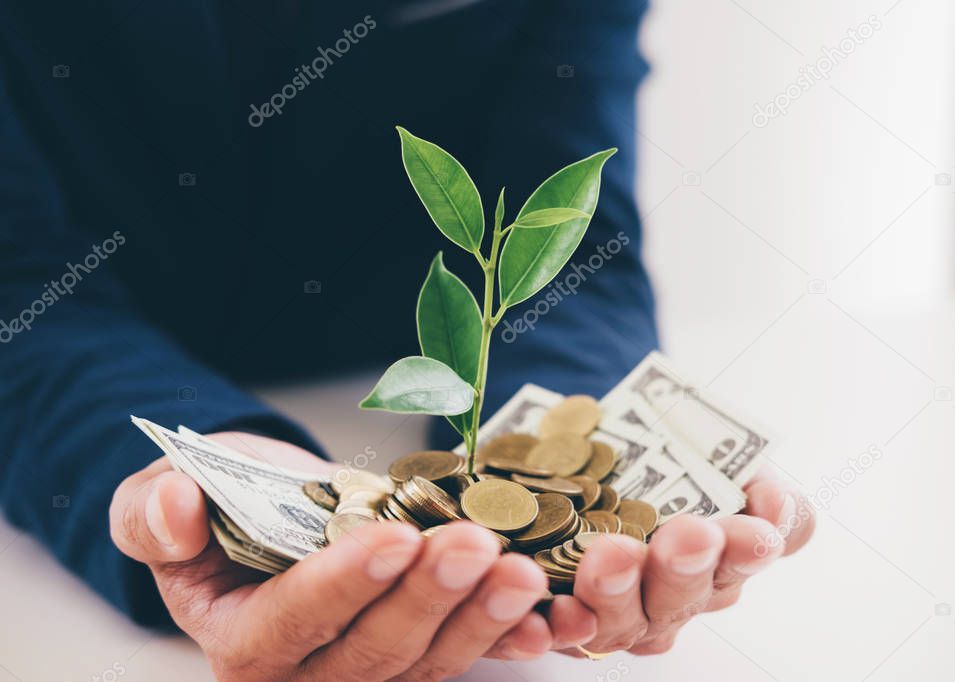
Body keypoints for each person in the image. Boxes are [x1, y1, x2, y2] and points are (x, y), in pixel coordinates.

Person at [0, 1, 814, 679]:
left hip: (393, 364)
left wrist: (579, 416)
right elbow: (15, 279)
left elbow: (563, 234)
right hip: (94, 366)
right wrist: (200, 459)